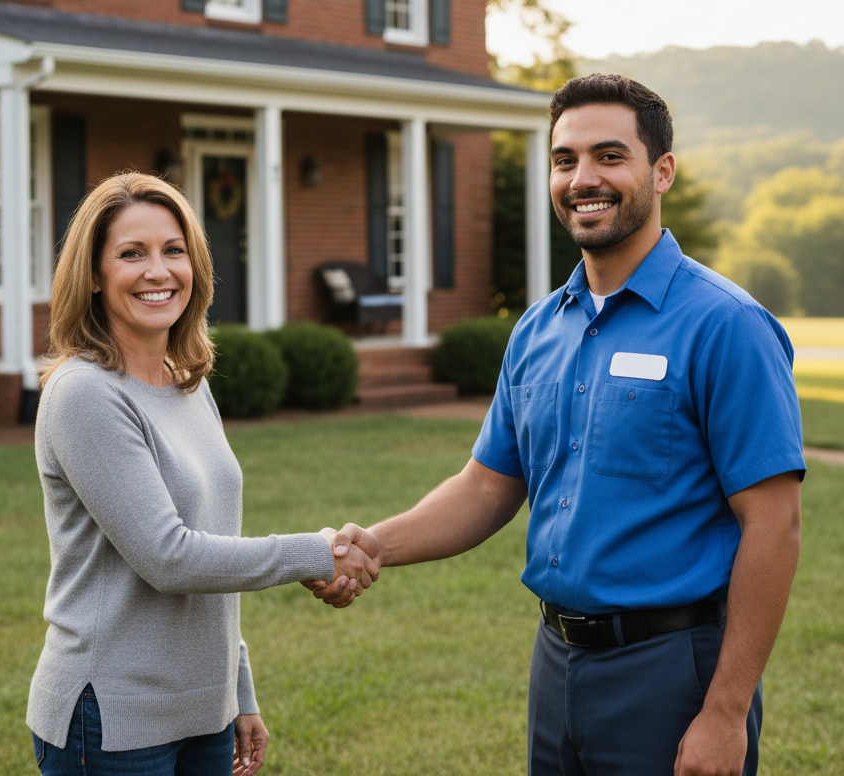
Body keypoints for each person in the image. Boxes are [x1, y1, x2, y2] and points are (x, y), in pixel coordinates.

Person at [313, 74, 804, 776]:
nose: (583, 179)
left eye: (610, 156)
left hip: (673, 670)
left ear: (661, 171)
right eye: (565, 159)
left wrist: (725, 711)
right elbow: (486, 487)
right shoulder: (539, 328)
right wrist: (375, 545)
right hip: (557, 664)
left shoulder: (727, 326)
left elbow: (773, 524)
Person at [27, 171, 379, 776]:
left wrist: (237, 693)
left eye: (174, 250)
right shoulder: (84, 393)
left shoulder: (185, 381)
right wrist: (317, 552)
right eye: (131, 253)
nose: (158, 271)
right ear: (92, 274)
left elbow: (211, 534)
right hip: (113, 717)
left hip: (204, 715)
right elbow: (169, 558)